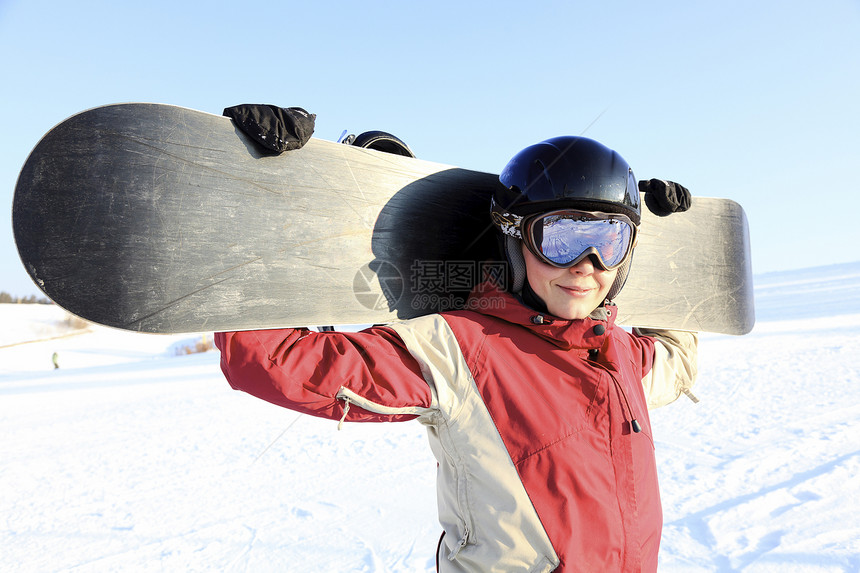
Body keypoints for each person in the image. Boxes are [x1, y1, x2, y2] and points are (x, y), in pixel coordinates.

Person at [215, 135, 698, 572]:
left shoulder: (622, 354)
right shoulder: (458, 348)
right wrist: (269, 200)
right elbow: (275, 359)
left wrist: (674, 246)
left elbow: (679, 361)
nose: (586, 265)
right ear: (514, 238)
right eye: (562, 238)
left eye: (609, 241)